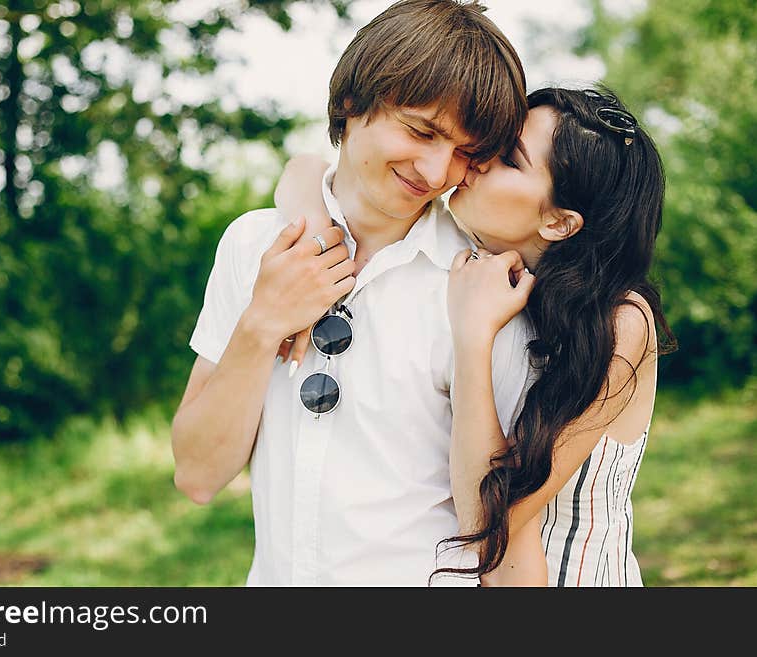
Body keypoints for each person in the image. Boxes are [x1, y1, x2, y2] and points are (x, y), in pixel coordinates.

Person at [170, 0, 532, 585]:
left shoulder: (479, 281)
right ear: (351, 102)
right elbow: (197, 475)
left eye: (466, 152)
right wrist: (263, 322)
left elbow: (499, 523)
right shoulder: (254, 244)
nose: (438, 171)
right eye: (421, 131)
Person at [276, 86, 676, 586]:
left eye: (509, 158)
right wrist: (315, 228)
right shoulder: (479, 266)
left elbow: (488, 519)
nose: (479, 161)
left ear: (558, 222)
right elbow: (315, 169)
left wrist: (473, 339)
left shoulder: (619, 322)